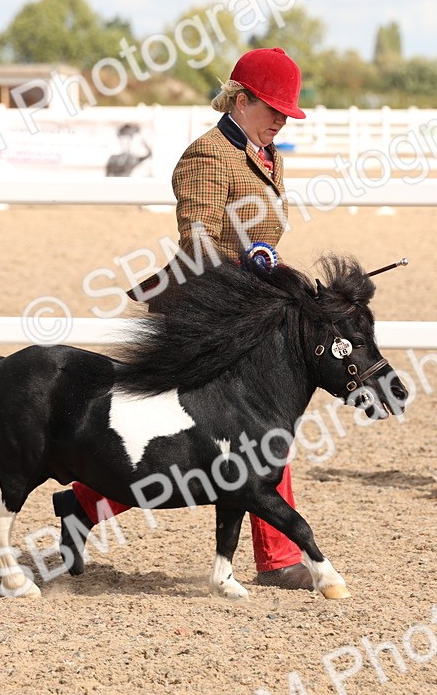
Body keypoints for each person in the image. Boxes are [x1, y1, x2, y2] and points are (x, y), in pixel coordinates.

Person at [52, 47, 316, 589]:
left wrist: (276, 271)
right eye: (274, 110)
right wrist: (252, 265)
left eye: (287, 113)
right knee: (248, 430)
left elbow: (262, 233)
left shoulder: (266, 153)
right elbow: (196, 241)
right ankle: (281, 556)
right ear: (241, 101)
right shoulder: (207, 156)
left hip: (246, 307)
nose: (282, 121)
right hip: (203, 310)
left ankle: (82, 507)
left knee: (231, 435)